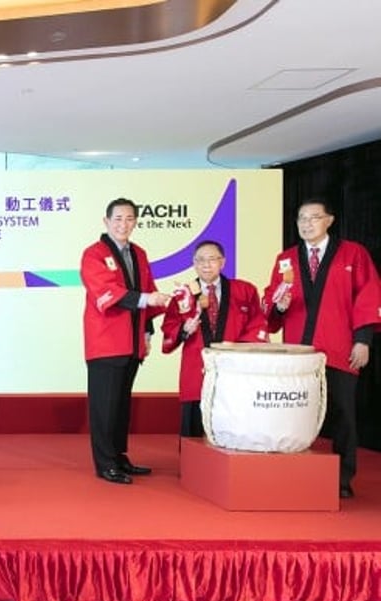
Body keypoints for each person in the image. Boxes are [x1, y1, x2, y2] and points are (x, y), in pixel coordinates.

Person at [263, 198, 381, 499]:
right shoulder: (286, 259)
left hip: (340, 348)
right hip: (299, 352)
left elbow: (368, 298)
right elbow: (272, 303)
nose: (306, 223)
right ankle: (297, 474)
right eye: (301, 218)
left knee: (343, 412)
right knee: (297, 413)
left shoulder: (353, 253)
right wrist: (278, 306)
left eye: (314, 217)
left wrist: (363, 340)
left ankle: (342, 478)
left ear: (329, 220)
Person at [80, 198, 171, 485]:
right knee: (104, 406)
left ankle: (119, 456)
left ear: (135, 222)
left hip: (132, 341)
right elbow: (105, 291)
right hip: (106, 341)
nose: (124, 224)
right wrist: (146, 299)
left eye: (129, 219)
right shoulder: (93, 254)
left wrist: (148, 332)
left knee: (121, 405)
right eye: (118, 219)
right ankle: (105, 463)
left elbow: (148, 291)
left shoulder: (139, 253)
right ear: (106, 222)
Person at [161, 240, 267, 437]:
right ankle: (192, 467)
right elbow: (168, 330)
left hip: (234, 369)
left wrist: (236, 347)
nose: (206, 264)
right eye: (200, 260)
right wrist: (184, 329)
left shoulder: (244, 290)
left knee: (233, 429)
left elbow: (258, 324)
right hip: (196, 369)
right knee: (193, 432)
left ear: (223, 262)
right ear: (193, 263)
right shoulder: (182, 295)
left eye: (212, 259)